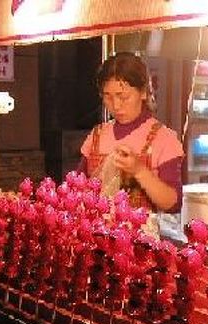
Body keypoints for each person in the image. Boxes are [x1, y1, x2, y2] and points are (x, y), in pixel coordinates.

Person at [78, 52, 183, 234]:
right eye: (108, 97)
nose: (116, 105)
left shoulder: (164, 139)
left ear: (143, 92)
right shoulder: (96, 136)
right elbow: (77, 186)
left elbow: (172, 203)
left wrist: (139, 171)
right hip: (97, 239)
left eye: (123, 96)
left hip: (140, 246)